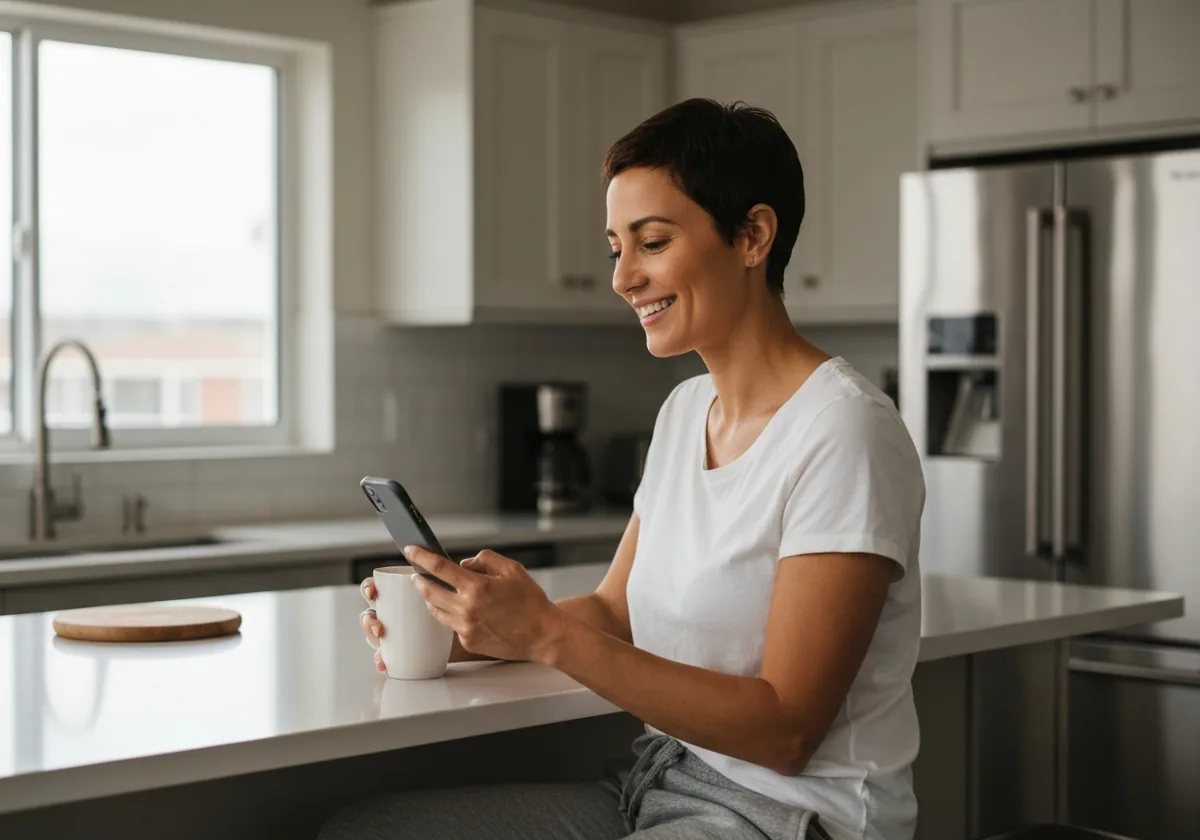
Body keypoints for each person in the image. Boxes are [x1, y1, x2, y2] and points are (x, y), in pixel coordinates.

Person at [320, 98, 925, 840]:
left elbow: (786, 730)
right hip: (657, 783)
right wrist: (470, 630)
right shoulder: (682, 414)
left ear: (753, 236)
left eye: (652, 242)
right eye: (616, 248)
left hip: (788, 821)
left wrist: (545, 634)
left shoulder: (845, 431)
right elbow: (615, 613)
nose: (623, 279)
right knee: (369, 832)